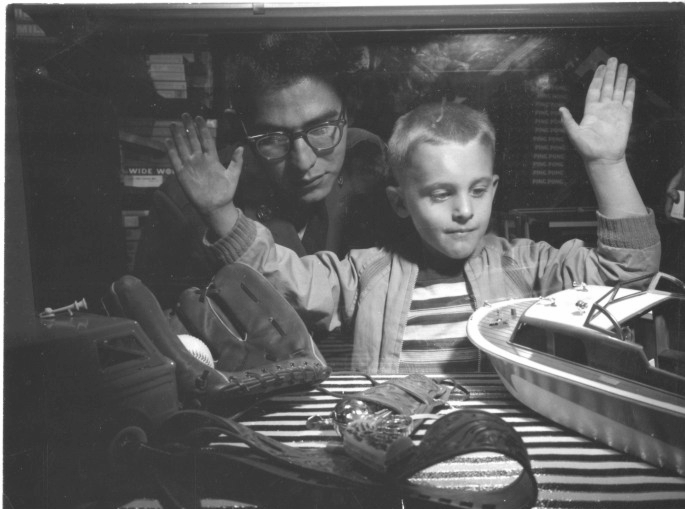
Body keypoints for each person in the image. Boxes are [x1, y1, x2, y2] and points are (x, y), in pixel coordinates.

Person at [166, 58, 660, 374]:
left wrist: (607, 163)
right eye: (440, 194)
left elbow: (626, 275)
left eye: (478, 190)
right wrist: (220, 212)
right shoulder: (367, 272)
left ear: (494, 189)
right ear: (401, 202)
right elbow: (286, 281)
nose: (465, 211)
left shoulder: (527, 265)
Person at [134, 33, 389, 307]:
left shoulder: (367, 160)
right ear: (241, 130)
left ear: (348, 112)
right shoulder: (181, 204)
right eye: (273, 138)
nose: (303, 162)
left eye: (321, 129)